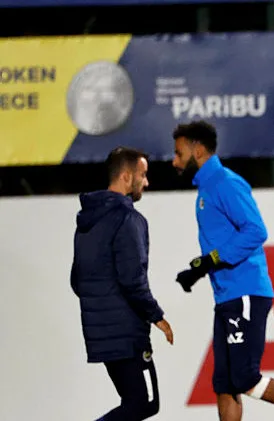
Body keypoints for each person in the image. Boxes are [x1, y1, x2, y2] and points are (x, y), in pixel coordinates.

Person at [170, 121, 274, 421]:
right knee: (224, 385)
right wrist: (198, 270)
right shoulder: (208, 187)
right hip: (228, 295)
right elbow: (222, 242)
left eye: (179, 153)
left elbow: (256, 230)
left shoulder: (225, 182)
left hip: (245, 292)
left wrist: (211, 259)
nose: (174, 161)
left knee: (245, 378)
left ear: (197, 150)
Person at [71, 147, 172, 421]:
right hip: (127, 334)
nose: (146, 182)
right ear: (127, 177)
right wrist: (157, 316)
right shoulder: (129, 219)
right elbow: (133, 280)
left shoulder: (87, 221)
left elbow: (77, 280)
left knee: (134, 402)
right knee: (144, 403)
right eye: (143, 175)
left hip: (101, 334)